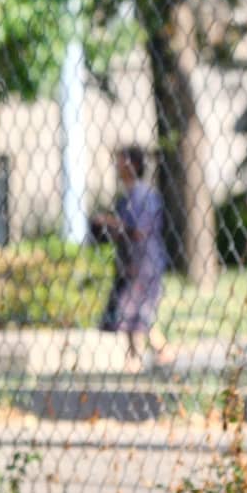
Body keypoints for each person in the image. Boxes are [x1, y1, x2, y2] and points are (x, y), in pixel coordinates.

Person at [91, 146, 172, 369]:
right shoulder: (126, 196)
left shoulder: (144, 195)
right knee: (128, 312)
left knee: (136, 311)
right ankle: (136, 357)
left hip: (145, 263)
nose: (117, 167)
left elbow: (139, 231)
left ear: (133, 165)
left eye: (121, 161)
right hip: (130, 263)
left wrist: (109, 222)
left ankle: (156, 351)